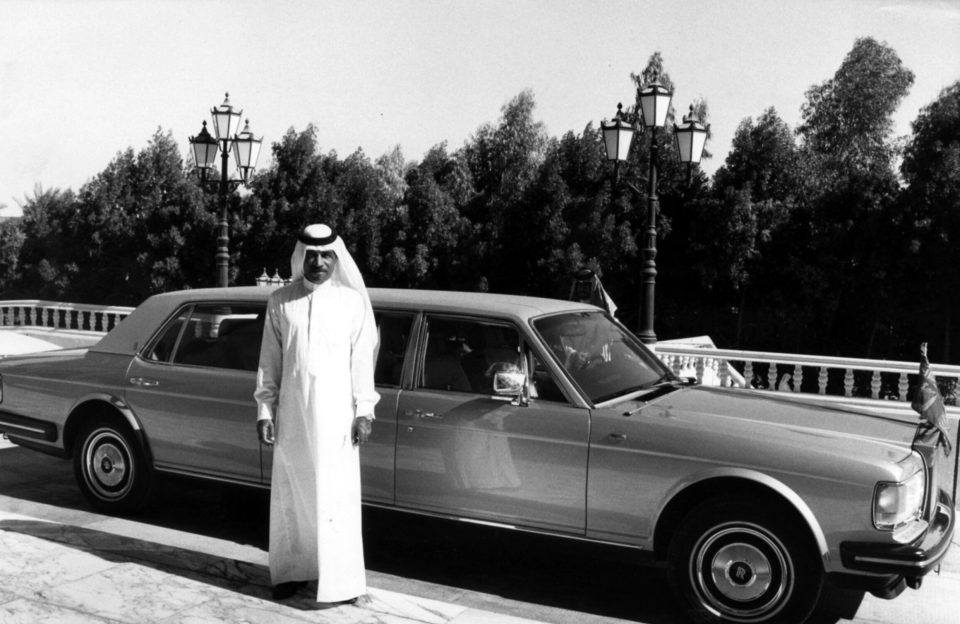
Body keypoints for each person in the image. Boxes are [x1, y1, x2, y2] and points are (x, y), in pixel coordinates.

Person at [254, 223, 380, 603]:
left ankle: (344, 584)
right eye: (312, 255)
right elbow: (269, 363)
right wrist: (265, 410)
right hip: (292, 417)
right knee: (293, 495)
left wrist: (364, 411)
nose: (320, 262)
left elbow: (362, 363)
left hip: (338, 421)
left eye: (327, 255)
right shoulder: (279, 301)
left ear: (336, 258)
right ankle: (292, 574)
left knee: (336, 499)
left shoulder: (352, 303)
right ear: (300, 257)